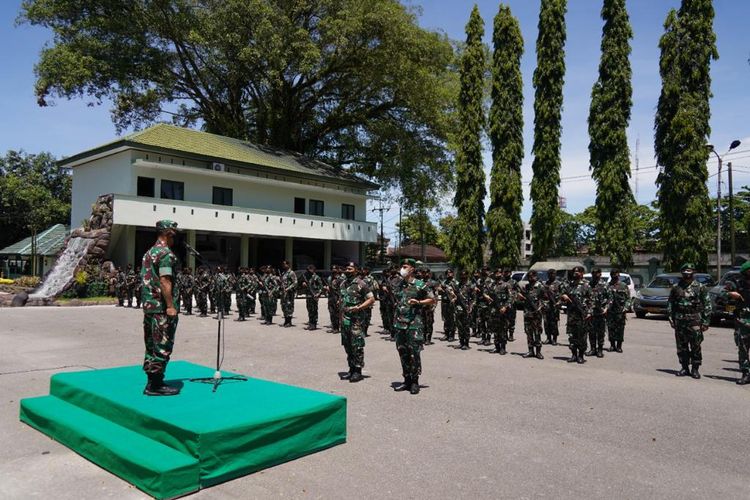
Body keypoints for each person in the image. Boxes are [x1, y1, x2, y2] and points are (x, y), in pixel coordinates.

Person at [140, 219, 181, 396]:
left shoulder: (149, 253)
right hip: (161, 309)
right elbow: (165, 280)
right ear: (167, 234)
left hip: (150, 307)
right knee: (163, 344)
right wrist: (170, 306)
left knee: (151, 345)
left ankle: (152, 381)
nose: (175, 237)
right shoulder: (165, 254)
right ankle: (155, 385)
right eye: (173, 234)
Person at [393, 258, 436, 394]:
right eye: (402, 266)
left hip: (414, 325)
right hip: (400, 324)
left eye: (405, 267)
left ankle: (415, 381)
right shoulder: (399, 284)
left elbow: (432, 299)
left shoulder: (420, 284)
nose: (402, 269)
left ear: (412, 269)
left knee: (414, 353)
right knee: (403, 352)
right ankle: (406, 380)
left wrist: (418, 302)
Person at [667, 263, 711, 379]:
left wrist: (706, 322)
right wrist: (671, 319)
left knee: (696, 345)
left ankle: (695, 369)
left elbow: (707, 305)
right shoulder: (676, 287)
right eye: (685, 272)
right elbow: (670, 303)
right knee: (682, 346)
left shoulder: (700, 287)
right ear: (682, 273)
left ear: (693, 272)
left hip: (695, 320)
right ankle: (684, 367)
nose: (687, 274)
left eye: (689, 271)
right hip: (680, 320)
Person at [339, 262, 375, 382]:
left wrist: (359, 308)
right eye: (346, 268)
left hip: (356, 320)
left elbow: (371, 299)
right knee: (347, 345)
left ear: (356, 270)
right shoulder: (344, 283)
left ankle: (358, 371)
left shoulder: (361, 284)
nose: (347, 270)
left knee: (357, 345)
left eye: (350, 268)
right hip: (345, 320)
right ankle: (351, 369)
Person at [721, 261, 750, 385]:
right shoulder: (736, 283)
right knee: (743, 349)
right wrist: (730, 294)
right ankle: (746, 373)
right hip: (742, 321)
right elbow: (721, 295)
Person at [560, 266, 593, 364]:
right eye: (574, 271)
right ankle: (574, 355)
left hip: (582, 315)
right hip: (571, 315)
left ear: (582, 273)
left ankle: (581, 356)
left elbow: (592, 300)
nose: (575, 273)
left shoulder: (586, 285)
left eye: (578, 272)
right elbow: (561, 293)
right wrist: (563, 296)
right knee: (572, 336)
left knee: (582, 336)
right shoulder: (569, 285)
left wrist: (589, 312)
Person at [517, 270, 545, 359]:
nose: (530, 278)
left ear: (536, 277)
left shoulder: (540, 287)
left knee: (537, 333)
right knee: (529, 333)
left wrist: (541, 307)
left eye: (532, 276)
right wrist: (521, 298)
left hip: (536, 314)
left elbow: (546, 299)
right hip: (527, 313)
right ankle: (530, 351)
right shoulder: (526, 287)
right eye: (529, 276)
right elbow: (522, 300)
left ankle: (538, 352)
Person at [484, 268, 513, 355]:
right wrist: (486, 296)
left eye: (499, 273)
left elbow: (511, 297)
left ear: (501, 274)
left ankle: (503, 347)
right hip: (493, 311)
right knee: (495, 329)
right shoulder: (491, 285)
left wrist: (505, 307)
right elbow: (484, 292)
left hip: (502, 310)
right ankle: (497, 347)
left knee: (503, 329)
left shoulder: (506, 285)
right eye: (496, 273)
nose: (497, 274)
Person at [606, 269, 630, 353]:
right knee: (611, 328)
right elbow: (605, 298)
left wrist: (626, 308)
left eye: (616, 274)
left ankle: (619, 346)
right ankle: (612, 345)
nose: (615, 276)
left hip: (620, 311)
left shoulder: (623, 285)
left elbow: (628, 298)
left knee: (620, 328)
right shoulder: (608, 286)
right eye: (613, 274)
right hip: (610, 311)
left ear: (619, 275)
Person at [587, 268, 608, 358]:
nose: (595, 275)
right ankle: (592, 349)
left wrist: (606, 308)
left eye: (597, 273)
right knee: (591, 332)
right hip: (591, 312)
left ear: (600, 274)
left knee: (600, 332)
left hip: (601, 313)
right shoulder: (589, 285)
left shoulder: (604, 285)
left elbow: (610, 298)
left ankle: (600, 350)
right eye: (593, 273)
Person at [302, 265, 324, 331]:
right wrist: (304, 284)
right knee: (309, 310)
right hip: (308, 296)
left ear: (313, 270)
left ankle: (314, 324)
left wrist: (317, 294)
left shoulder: (316, 277)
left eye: (309, 270)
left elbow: (321, 287)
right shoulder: (307, 277)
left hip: (314, 296)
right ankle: (310, 323)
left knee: (314, 310)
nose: (308, 272)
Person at [542, 268, 561, 345]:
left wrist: (558, 302)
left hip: (554, 306)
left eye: (553, 274)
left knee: (554, 323)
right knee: (546, 323)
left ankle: (554, 339)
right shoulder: (546, 283)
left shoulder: (558, 284)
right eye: (549, 274)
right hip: (547, 306)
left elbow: (561, 294)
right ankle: (548, 338)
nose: (551, 275)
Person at [438, 269, 456, 342]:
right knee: (445, 319)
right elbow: (439, 291)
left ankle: (452, 335)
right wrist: (440, 289)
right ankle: (446, 334)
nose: (449, 274)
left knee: (452, 319)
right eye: (448, 273)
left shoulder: (455, 282)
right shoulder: (443, 282)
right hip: (444, 302)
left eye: (450, 272)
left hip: (452, 302)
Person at [279, 260, 298, 327]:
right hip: (283, 293)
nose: (283, 265)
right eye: (283, 264)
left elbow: (295, 282)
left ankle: (289, 321)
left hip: (289, 293)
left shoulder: (291, 273)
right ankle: (286, 320)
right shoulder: (283, 273)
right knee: (284, 306)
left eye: (285, 264)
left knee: (289, 306)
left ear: (288, 265)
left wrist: (288, 288)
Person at [326, 267, 342, 333]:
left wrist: (340, 299)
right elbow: (329, 286)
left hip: (337, 297)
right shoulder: (330, 278)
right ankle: (333, 327)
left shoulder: (340, 279)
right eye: (332, 269)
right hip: (331, 297)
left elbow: (342, 290)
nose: (334, 271)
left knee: (337, 313)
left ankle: (337, 328)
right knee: (331, 312)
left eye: (335, 269)